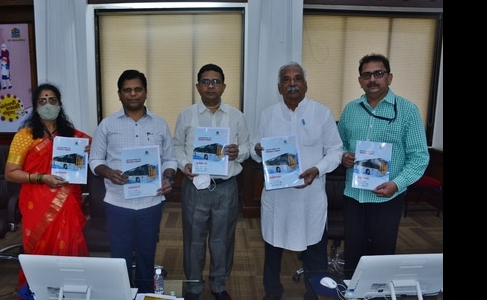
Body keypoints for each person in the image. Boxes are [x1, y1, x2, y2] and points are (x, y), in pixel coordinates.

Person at [251, 62, 343, 300]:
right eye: (286, 79)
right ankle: (272, 292)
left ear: (305, 84)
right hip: (277, 197)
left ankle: (313, 293)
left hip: (309, 198)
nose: (292, 83)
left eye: (297, 78)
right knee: (272, 248)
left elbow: (335, 151)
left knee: (314, 249)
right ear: (279, 87)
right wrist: (259, 150)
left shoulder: (321, 113)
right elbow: (255, 149)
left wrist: (317, 169)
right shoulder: (268, 114)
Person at [337, 53, 429, 279]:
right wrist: (343, 156)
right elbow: (337, 146)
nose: (372, 79)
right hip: (354, 195)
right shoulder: (350, 110)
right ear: (360, 80)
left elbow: (419, 157)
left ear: (389, 77)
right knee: (353, 255)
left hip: (387, 197)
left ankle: (377, 294)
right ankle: (352, 292)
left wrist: (397, 184)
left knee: (381, 255)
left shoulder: (407, 111)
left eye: (378, 73)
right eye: (366, 75)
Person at [88, 69, 177, 293]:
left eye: (138, 89)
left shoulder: (159, 124)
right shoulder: (107, 125)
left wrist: (168, 177)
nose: (133, 94)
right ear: (119, 94)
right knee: (120, 257)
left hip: (151, 202)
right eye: (127, 90)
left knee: (147, 254)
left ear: (145, 92)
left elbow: (170, 159)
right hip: (118, 204)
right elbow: (95, 159)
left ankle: (146, 294)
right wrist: (108, 172)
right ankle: (122, 295)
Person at [4, 83, 92, 299]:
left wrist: (89, 150)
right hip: (37, 204)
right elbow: (10, 173)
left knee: (70, 249)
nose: (48, 105)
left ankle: (73, 292)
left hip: (67, 203)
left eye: (52, 100)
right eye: (42, 101)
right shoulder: (24, 136)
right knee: (39, 251)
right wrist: (42, 178)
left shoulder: (74, 135)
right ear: (35, 106)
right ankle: (38, 292)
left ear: (60, 104)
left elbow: (95, 151)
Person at [172, 63, 251, 300]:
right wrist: (184, 163)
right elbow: (176, 145)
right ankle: (194, 285)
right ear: (198, 86)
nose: (210, 86)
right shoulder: (186, 115)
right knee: (194, 239)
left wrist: (240, 152)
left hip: (226, 187)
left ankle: (219, 284)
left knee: (223, 238)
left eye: (215, 81)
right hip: (195, 186)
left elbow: (247, 146)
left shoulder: (236, 116)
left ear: (224, 86)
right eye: (205, 81)